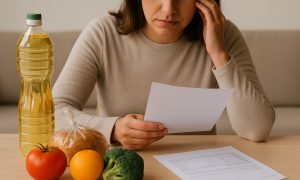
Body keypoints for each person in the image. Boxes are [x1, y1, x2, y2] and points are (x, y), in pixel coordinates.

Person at [53, 0, 275, 150]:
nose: (169, 9)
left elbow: (257, 129)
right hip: (126, 171)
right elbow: (52, 112)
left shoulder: (223, 35)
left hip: (201, 168)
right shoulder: (102, 34)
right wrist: (112, 130)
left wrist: (218, 53)